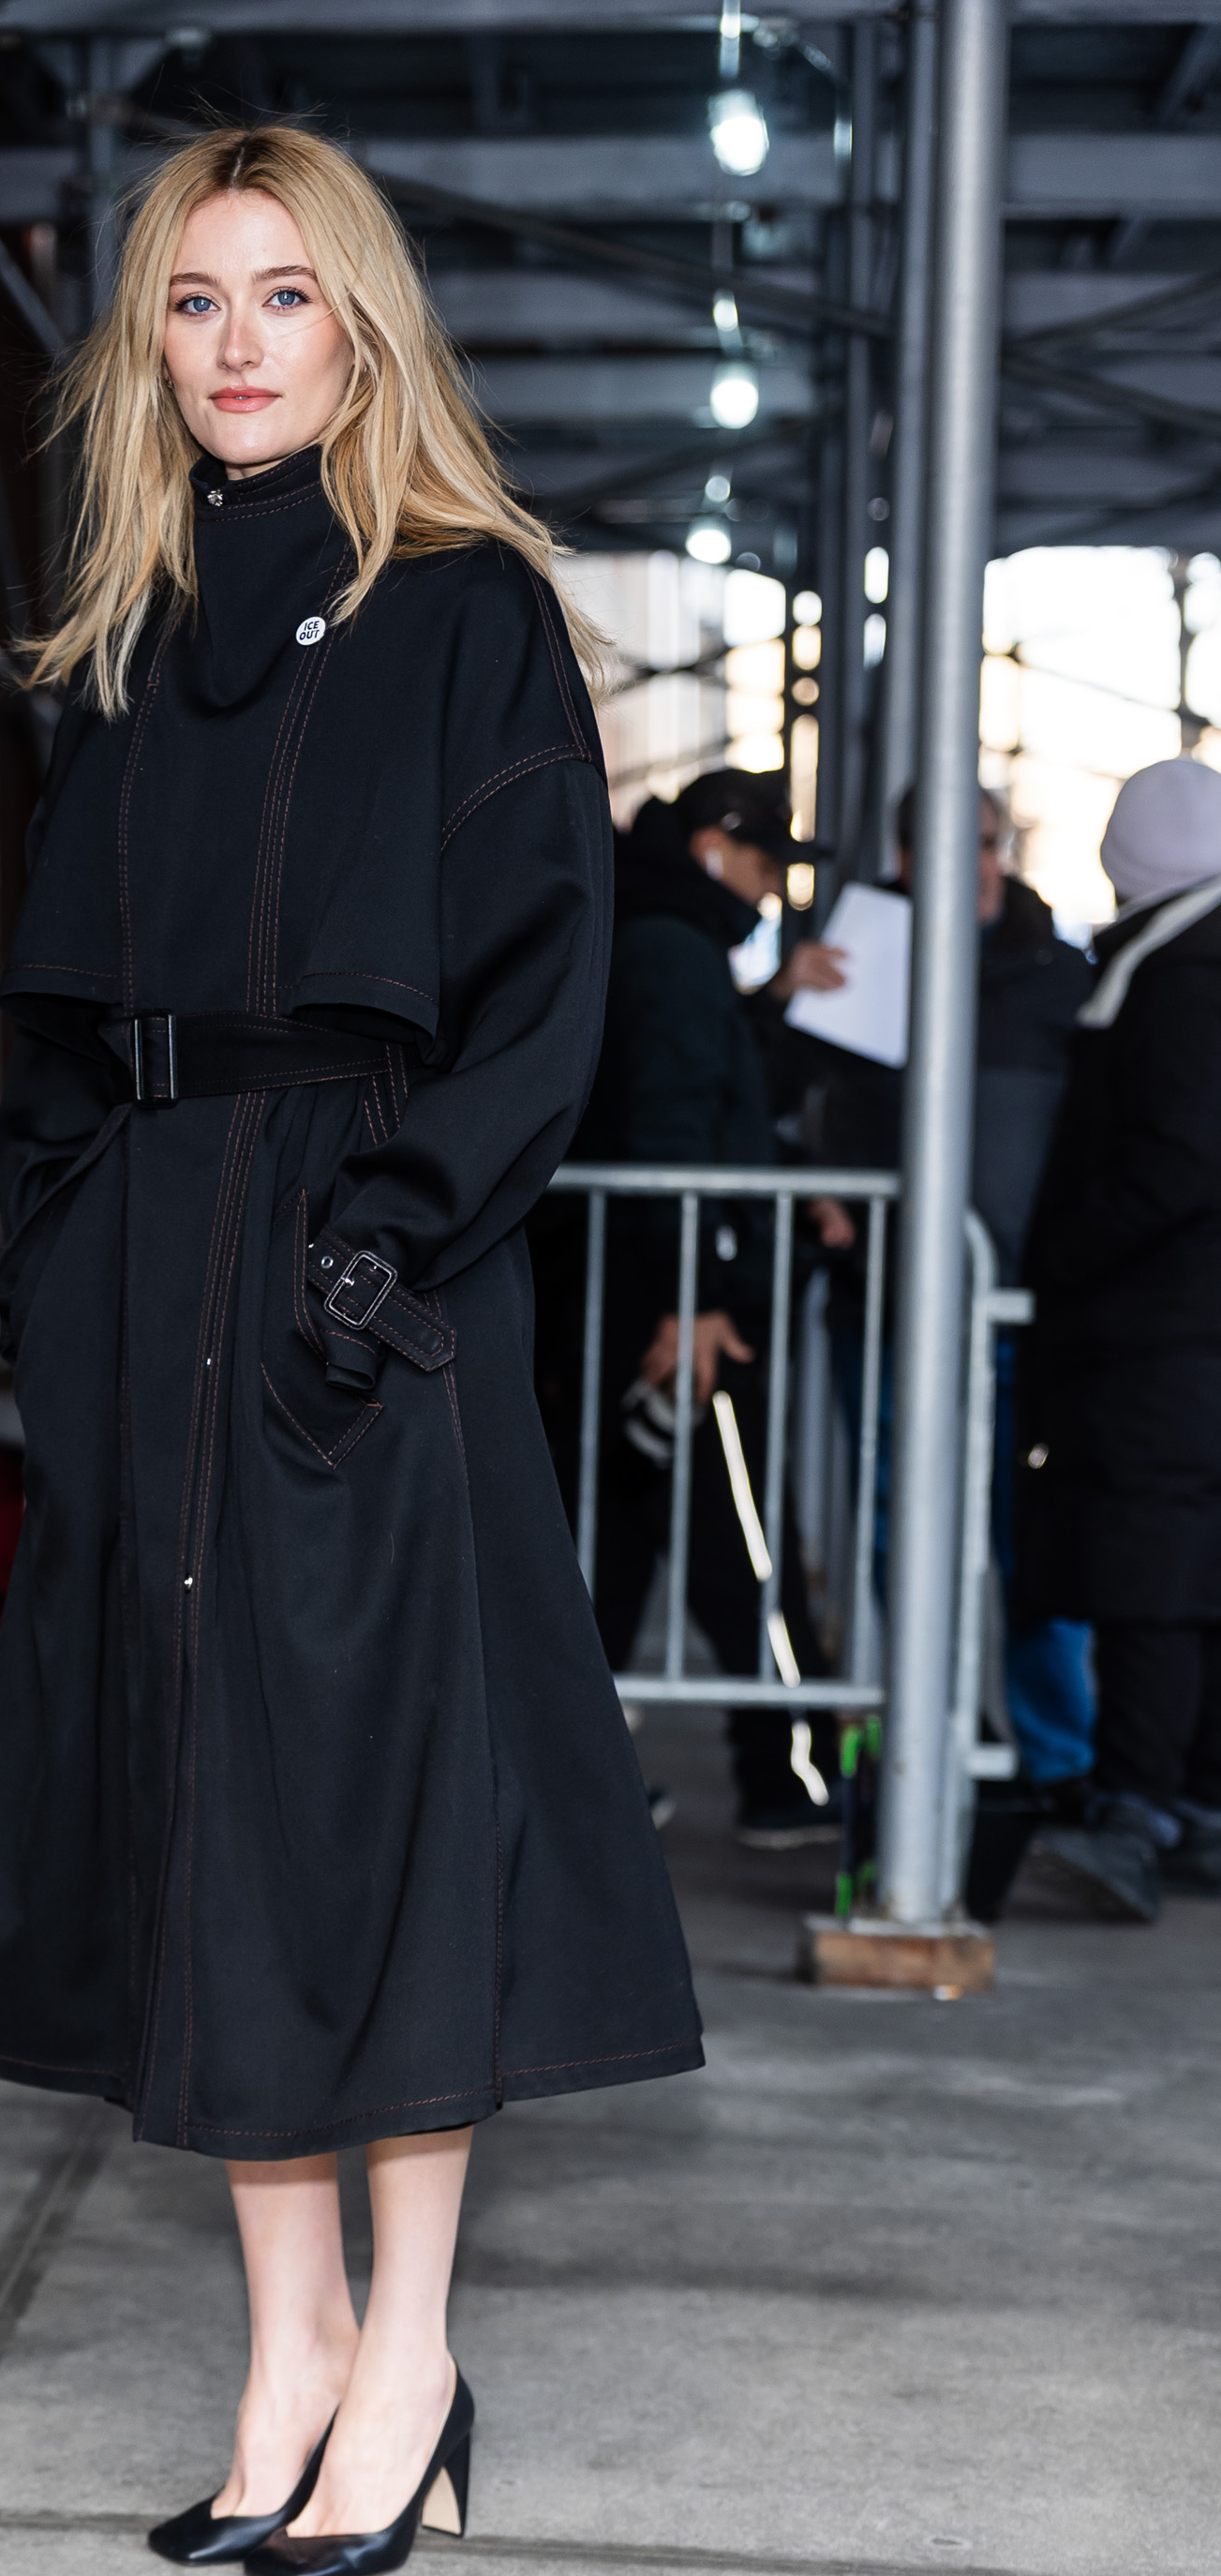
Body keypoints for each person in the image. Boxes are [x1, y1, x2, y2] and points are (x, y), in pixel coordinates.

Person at [0, 125, 702, 2576]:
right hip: (147, 1283)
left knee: (375, 1821)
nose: (239, 339)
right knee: (201, 1830)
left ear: (362, 325)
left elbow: (541, 997)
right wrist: (61, 1266)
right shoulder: (132, 640)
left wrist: (375, 1264)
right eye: (189, 300)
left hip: (359, 1290)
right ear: (147, 346)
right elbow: (59, 1026)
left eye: (286, 292)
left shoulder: (470, 614)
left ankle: (412, 2360)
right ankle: (281, 2356)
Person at [535, 768, 842, 1848]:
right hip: (676, 1306)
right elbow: (668, 1134)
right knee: (742, 1540)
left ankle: (557, 1778)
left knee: (612, 1544)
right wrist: (693, 1300)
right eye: (763, 866)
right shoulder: (672, 951)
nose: (767, 892)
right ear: (715, 845)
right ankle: (796, 1776)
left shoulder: (652, 933)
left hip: (624, 1291)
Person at [797, 786, 1096, 1791]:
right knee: (897, 1529)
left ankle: (1056, 1763)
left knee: (1033, 1536)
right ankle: (937, 1742)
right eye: (940, 845)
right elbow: (771, 1094)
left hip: (1017, 1311)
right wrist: (813, 1190)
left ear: (1002, 850)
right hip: (877, 1303)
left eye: (980, 843)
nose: (965, 862)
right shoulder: (851, 956)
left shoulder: (1061, 978)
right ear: (902, 855)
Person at [1021, 756, 1221, 1922]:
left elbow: (1177, 1157)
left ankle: (1137, 1806)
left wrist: (1066, 1248)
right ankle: (1188, 1798)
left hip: (1163, 1328)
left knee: (1151, 1563)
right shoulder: (1184, 959)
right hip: (1181, 1324)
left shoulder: (1182, 977)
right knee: (1186, 1562)